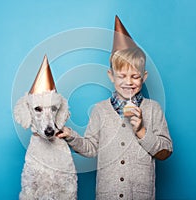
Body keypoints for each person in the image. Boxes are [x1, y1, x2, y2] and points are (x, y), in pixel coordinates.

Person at [57, 16, 173, 200]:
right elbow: (91, 148)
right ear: (111, 76)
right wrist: (71, 136)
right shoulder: (99, 110)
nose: (128, 82)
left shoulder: (153, 109)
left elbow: (165, 151)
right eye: (122, 75)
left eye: (135, 76)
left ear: (144, 77)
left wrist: (142, 131)